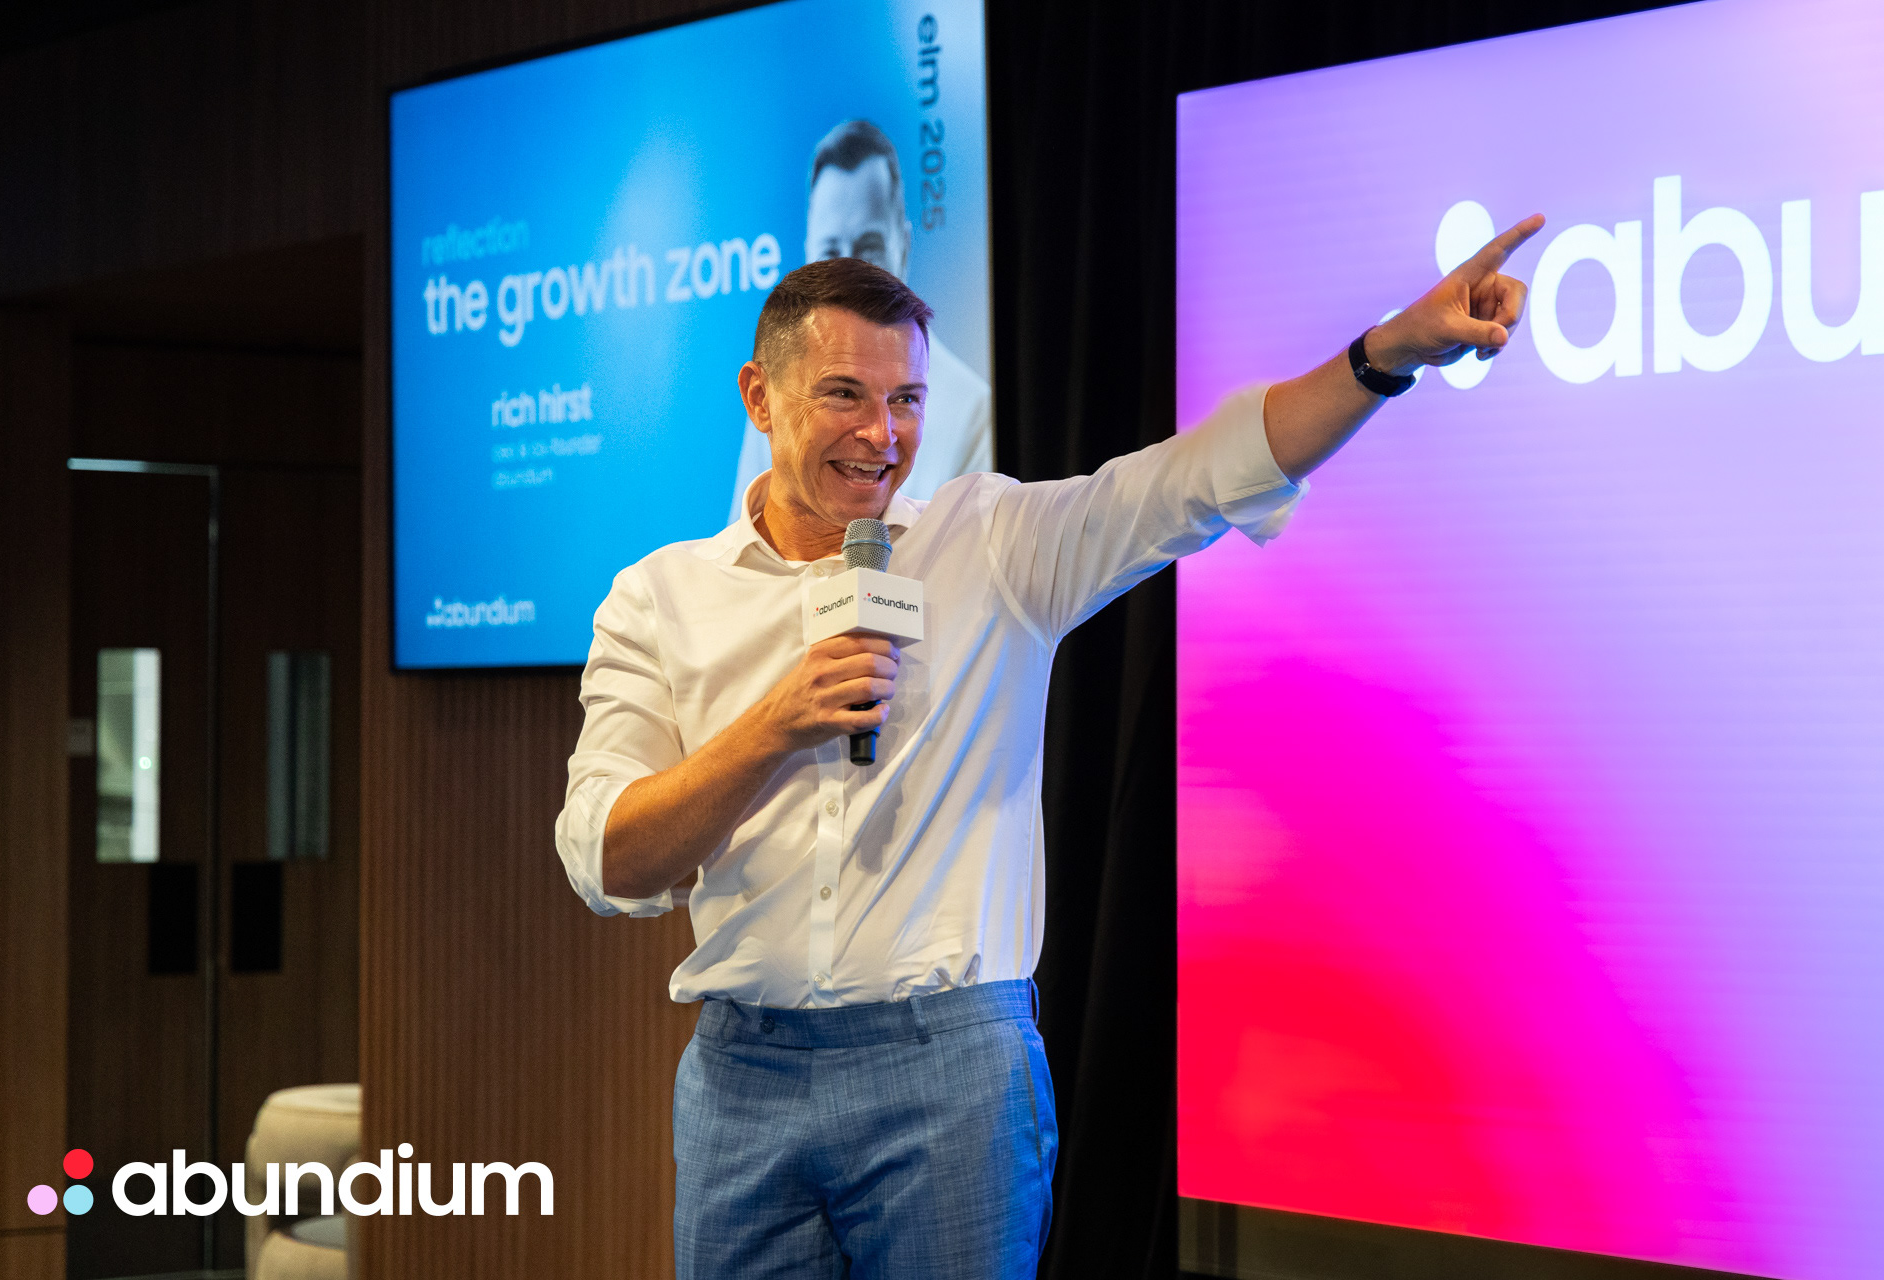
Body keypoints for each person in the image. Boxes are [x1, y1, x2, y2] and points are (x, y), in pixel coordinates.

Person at [556, 215, 1542, 1277]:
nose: (881, 434)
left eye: (908, 400)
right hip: (743, 1078)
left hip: (949, 1078)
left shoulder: (989, 543)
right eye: (845, 394)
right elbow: (608, 860)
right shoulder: (659, 598)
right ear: (760, 396)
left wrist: (1386, 354)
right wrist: (774, 725)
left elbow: (1197, 476)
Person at [729, 119, 991, 521]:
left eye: (905, 400)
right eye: (830, 251)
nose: (848, 270)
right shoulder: (780, 391)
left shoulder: (972, 413)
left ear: (903, 247)